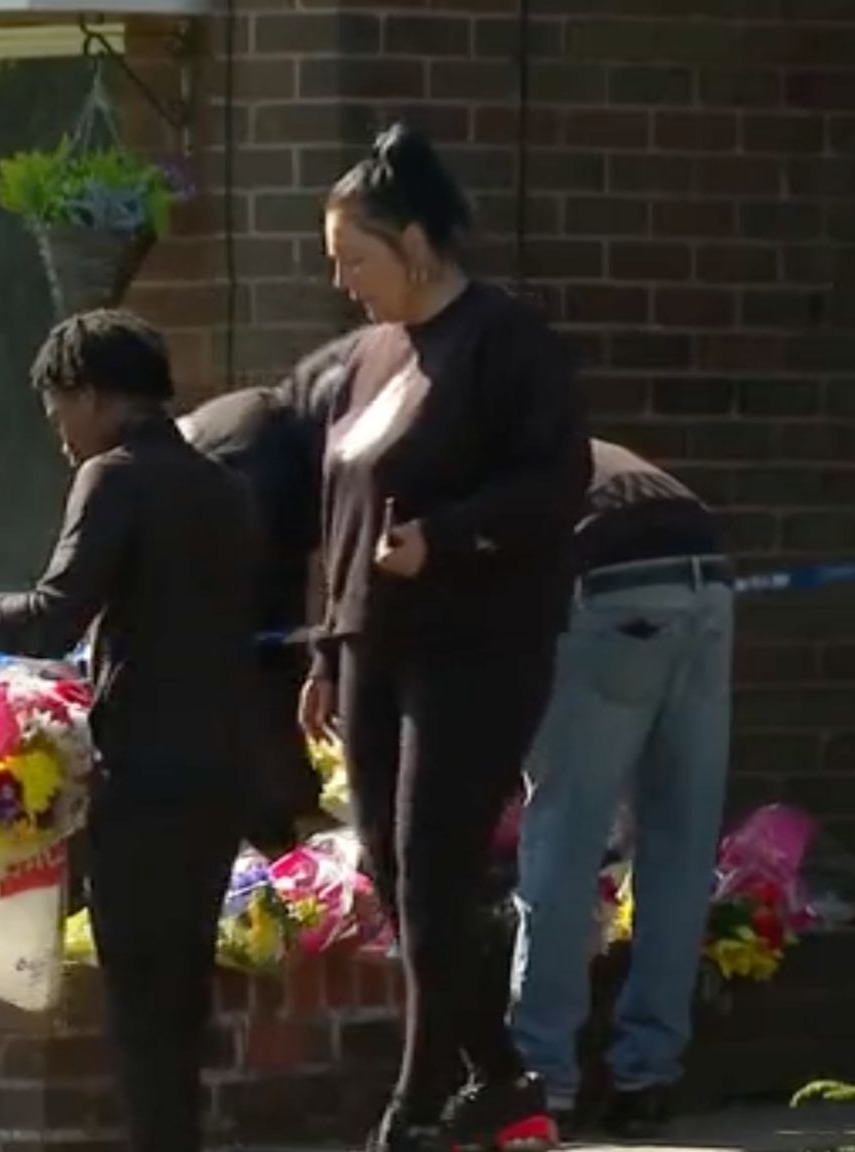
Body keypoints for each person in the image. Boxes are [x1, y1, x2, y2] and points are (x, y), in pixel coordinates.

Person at [0, 309, 260, 1152]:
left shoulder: (114, 477)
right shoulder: (223, 489)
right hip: (223, 772)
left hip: (148, 777)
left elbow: (53, 617)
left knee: (140, 1004)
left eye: (58, 408)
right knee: (183, 996)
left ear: (90, 396)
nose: (58, 432)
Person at [292, 124, 591, 1152]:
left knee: (433, 869)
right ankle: (501, 1078)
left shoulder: (502, 340)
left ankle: (414, 1107)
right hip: (373, 648)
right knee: (388, 867)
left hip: (476, 647)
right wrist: (325, 650)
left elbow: (553, 483)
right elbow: (335, 509)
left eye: (354, 258)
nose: (342, 282)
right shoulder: (366, 359)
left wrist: (448, 538)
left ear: (415, 242)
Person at [508, 439, 732, 1137]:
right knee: (681, 839)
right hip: (711, 580)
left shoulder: (461, 450)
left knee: (566, 833)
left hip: (610, 590)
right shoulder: (585, 450)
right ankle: (648, 1076)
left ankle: (543, 1080)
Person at [177, 371, 343, 855]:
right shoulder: (278, 453)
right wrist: (325, 660)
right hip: (245, 646)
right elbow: (325, 566)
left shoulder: (239, 415)